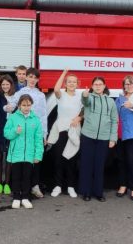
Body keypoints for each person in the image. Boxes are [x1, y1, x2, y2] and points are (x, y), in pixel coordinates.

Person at [7, 67, 47, 198]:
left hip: (35, 132)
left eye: (35, 78)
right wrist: (7, 107)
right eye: (30, 77)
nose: (32, 80)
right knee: (21, 162)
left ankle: (35, 186)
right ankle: (19, 189)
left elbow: (43, 115)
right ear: (26, 78)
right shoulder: (20, 92)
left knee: (35, 160)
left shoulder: (41, 95)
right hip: (22, 133)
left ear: (37, 80)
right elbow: (11, 105)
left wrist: (44, 134)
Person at [79, 77, 118, 202]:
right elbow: (85, 101)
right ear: (92, 86)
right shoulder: (89, 97)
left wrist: (113, 138)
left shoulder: (110, 101)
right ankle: (86, 192)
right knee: (86, 165)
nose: (97, 86)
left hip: (104, 138)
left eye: (100, 84)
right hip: (88, 136)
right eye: (95, 84)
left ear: (104, 86)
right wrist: (84, 95)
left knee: (99, 166)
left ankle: (99, 192)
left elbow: (114, 120)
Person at [4, 94, 44, 209]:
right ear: (19, 105)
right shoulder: (13, 117)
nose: (26, 107)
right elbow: (6, 134)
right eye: (24, 105)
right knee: (16, 176)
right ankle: (16, 197)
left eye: (28, 105)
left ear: (31, 105)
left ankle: (25, 197)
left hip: (29, 155)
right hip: (16, 153)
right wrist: (15, 131)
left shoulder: (35, 120)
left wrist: (38, 155)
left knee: (27, 177)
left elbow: (38, 139)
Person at [48, 69, 82, 199]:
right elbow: (56, 88)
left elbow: (85, 109)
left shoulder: (80, 97)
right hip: (61, 131)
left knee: (71, 159)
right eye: (69, 82)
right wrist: (64, 73)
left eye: (74, 82)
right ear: (65, 84)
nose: (72, 84)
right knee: (59, 159)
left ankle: (71, 187)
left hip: (73, 131)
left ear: (77, 84)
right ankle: (57, 186)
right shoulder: (60, 95)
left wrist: (79, 118)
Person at [0, 75, 15, 195]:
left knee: (9, 157)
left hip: (12, 131)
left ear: (11, 85)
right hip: (0, 129)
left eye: (7, 84)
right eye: (3, 85)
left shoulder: (16, 97)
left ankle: (7, 183)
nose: (5, 86)